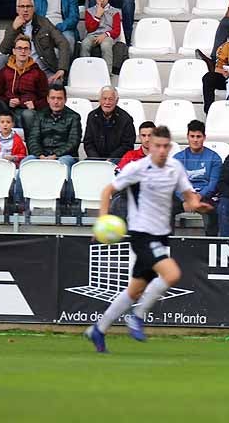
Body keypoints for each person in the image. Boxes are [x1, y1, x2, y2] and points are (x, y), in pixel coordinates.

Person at [84, 126, 208, 352]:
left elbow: (189, 194)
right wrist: (101, 222)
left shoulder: (175, 168)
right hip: (142, 234)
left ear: (169, 147)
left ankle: (98, 330)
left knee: (134, 290)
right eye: (156, 146)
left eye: (164, 146)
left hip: (161, 234)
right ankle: (137, 316)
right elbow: (107, 191)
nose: (160, 150)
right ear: (149, 146)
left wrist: (197, 204)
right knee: (172, 274)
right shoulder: (137, 168)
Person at [0, 34, 48, 142]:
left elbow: (46, 99)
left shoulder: (38, 73)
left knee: (28, 114)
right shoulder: (5, 71)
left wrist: (34, 105)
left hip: (27, 113)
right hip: (8, 111)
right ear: (14, 51)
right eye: (19, 48)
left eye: (26, 49)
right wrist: (8, 101)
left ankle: (33, 145)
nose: (23, 51)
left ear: (30, 52)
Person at [0, 0, 70, 85]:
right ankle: (4, 88)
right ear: (17, 9)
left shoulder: (44, 23)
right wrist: (14, 29)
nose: (25, 10)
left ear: (34, 9)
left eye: (28, 6)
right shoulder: (12, 26)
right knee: (1, 58)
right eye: (22, 6)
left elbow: (63, 42)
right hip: (21, 72)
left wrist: (61, 69)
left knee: (58, 83)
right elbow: (4, 50)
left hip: (44, 71)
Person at [174, 120, 222, 235]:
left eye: (198, 136)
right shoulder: (178, 158)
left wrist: (198, 197)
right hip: (184, 196)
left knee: (213, 210)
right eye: (192, 136)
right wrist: (186, 199)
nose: (195, 140)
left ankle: (211, 245)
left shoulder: (214, 158)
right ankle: (168, 246)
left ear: (204, 137)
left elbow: (213, 183)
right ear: (187, 137)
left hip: (205, 196)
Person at [24, 83, 81, 172]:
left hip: (64, 156)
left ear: (65, 100)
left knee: (63, 164)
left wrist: (55, 155)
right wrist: (40, 155)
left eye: (59, 98)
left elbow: (73, 142)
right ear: (47, 99)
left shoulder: (74, 117)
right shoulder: (39, 115)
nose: (56, 101)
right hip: (41, 155)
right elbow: (33, 139)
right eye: (53, 98)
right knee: (26, 163)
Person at [83, 86, 136, 162]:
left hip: (118, 159)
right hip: (95, 159)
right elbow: (88, 143)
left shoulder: (126, 119)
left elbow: (127, 145)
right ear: (99, 100)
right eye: (104, 99)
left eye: (110, 99)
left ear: (116, 101)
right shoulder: (92, 116)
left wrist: (111, 159)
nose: (107, 102)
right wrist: (96, 159)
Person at [82, 0, 123, 70]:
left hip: (107, 36)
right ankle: (84, 70)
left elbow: (116, 30)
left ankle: (107, 73)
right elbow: (89, 29)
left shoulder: (115, 12)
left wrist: (105, 35)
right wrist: (97, 16)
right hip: (92, 35)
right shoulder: (89, 11)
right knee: (85, 44)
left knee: (106, 45)